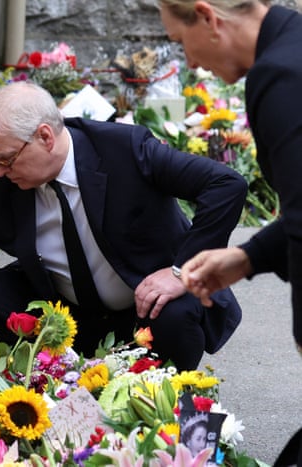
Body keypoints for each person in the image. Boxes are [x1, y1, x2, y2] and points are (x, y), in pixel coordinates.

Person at [0, 81, 247, 370]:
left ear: (45, 136)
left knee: (177, 311)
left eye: (7, 159)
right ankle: (50, 377)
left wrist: (179, 272)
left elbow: (225, 185)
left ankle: (164, 399)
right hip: (64, 319)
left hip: (144, 314)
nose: (0, 171)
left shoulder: (124, 151)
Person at [158, 0, 302, 463]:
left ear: (208, 16)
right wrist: (246, 258)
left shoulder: (279, 76)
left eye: (182, 44)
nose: (192, 63)